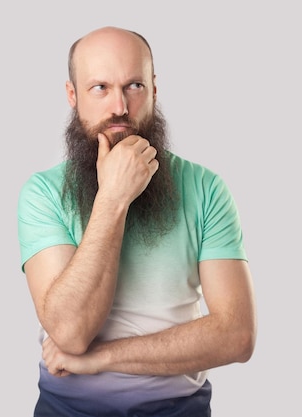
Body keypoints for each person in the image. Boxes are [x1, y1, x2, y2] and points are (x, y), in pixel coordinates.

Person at [17, 25, 257, 417]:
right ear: (72, 95)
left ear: (154, 90)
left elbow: (237, 335)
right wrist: (113, 198)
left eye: (134, 86)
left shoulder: (206, 188)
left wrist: (101, 358)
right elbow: (71, 333)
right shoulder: (42, 193)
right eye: (100, 88)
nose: (120, 108)